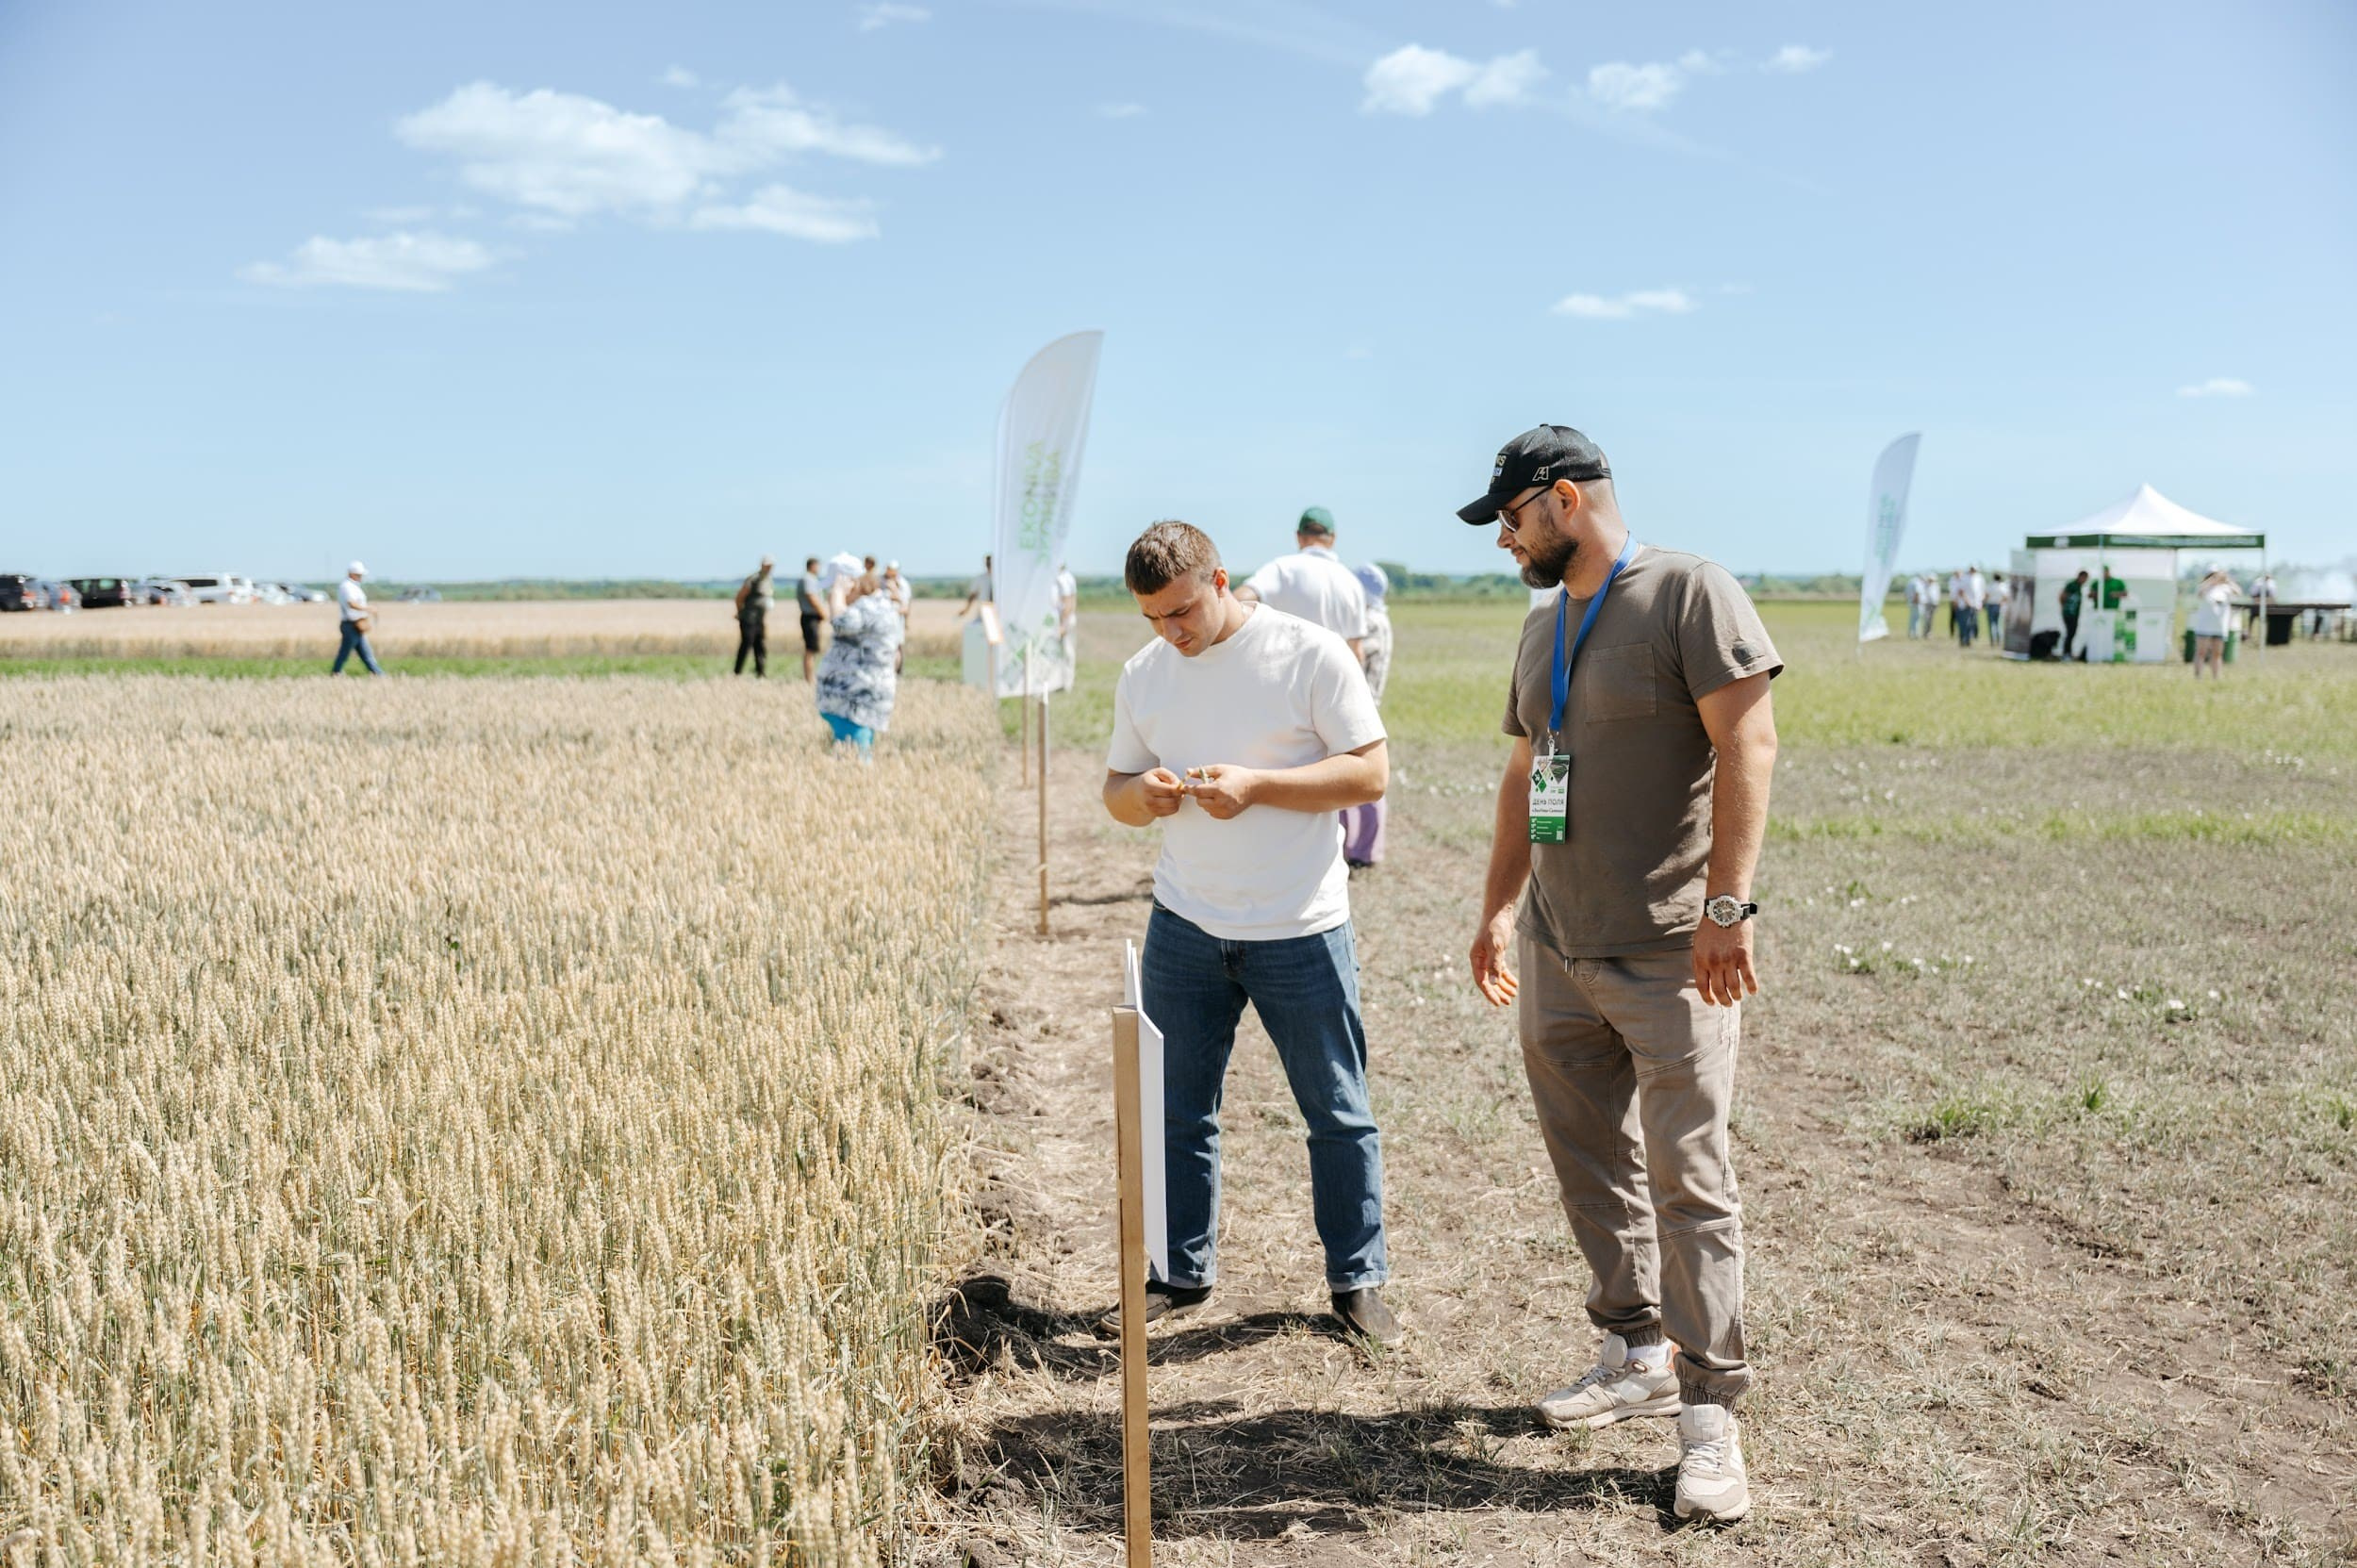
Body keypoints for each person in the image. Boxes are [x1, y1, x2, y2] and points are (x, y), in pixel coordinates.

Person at [1459, 425, 1781, 1525]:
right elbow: (1522, 776)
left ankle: (1709, 1421)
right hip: (1558, 945)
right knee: (1589, 1163)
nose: (1503, 542)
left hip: (1671, 953)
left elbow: (1749, 744)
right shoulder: (1542, 622)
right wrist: (1500, 908)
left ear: (1560, 501)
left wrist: (1726, 910)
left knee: (1691, 1183)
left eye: (1509, 520)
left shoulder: (1691, 592)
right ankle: (1634, 1350)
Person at [1098, 520, 1400, 1346]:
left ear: (1221, 581)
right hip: (1186, 923)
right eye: (1153, 617)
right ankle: (1179, 1271)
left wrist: (1259, 784)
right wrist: (1145, 797)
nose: (1172, 631)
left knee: (1338, 1111)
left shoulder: (1308, 654)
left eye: (1183, 611)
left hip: (1299, 924)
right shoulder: (1145, 674)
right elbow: (1116, 788)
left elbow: (1369, 770)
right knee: (1176, 1110)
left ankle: (1358, 1278)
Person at [1234, 506, 1368, 661]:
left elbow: (1240, 598)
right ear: (1332, 538)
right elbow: (1357, 652)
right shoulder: (1352, 583)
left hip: (1287, 677)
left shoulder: (1282, 569)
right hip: (1333, 678)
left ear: (1299, 536)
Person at [814, 563, 902, 760]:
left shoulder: (869, 607)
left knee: (854, 759)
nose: (830, 596)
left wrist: (837, 596)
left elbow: (841, 623)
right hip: (855, 700)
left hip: (856, 701)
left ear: (853, 585)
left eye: (833, 589)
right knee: (852, 756)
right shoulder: (876, 606)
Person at [1343, 558, 1393, 870]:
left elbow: (1352, 658)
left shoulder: (1371, 621)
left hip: (1362, 709)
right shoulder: (1377, 617)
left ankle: (1365, 849)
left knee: (1364, 781)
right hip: (1367, 706)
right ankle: (1358, 846)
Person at [332, 561, 385, 676]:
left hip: (357, 625)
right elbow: (351, 603)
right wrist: (368, 609)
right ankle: (336, 672)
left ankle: (378, 674)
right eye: (360, 575)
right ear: (353, 574)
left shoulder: (353, 586)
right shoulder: (347, 587)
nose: (361, 577)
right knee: (345, 653)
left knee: (366, 654)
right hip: (351, 625)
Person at [733, 555, 775, 677]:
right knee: (746, 643)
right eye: (767, 566)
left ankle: (760, 672)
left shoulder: (768, 580)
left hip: (759, 619)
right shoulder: (753, 579)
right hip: (748, 618)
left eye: (771, 566)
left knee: (760, 645)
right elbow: (740, 597)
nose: (769, 568)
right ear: (762, 565)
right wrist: (740, 611)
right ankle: (737, 672)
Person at [2191, 568, 2236, 679]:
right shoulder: (2203, 587)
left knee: (2217, 654)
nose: (2215, 577)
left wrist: (2227, 580)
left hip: (2219, 627)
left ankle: (2216, 677)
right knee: (2201, 652)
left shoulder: (2225, 588)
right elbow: (2199, 594)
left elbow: (2238, 591)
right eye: (2212, 575)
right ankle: (2198, 677)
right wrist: (2210, 581)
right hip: (2204, 626)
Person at [796, 557, 827, 681]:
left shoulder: (810, 579)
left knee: (812, 648)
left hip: (812, 617)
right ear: (812, 566)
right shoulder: (808, 579)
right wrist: (823, 613)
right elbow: (812, 597)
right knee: (811, 648)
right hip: (810, 617)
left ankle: (811, 676)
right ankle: (810, 678)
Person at [882, 561, 914, 673]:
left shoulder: (903, 584)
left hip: (897, 619)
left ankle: (897, 671)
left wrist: (906, 621)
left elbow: (905, 604)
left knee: (897, 645)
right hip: (883, 619)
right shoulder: (881, 581)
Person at [2060, 569, 2089, 659]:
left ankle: (2068, 653)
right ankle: (2066, 654)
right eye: (2085, 578)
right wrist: (2065, 608)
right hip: (2069, 614)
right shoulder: (2072, 585)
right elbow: (2062, 596)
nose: (2085, 581)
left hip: (2074, 614)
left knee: (2072, 633)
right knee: (2070, 633)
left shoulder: (2079, 586)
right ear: (2080, 577)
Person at [959, 555, 994, 619]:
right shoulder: (980, 579)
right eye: (988, 562)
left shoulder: (1001, 580)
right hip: (984, 612)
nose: (989, 564)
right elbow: (972, 595)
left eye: (990, 562)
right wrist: (966, 609)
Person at [1986, 571, 2010, 644]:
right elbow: (2006, 597)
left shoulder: (1990, 585)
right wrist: (2001, 602)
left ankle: (1993, 640)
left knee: (1992, 624)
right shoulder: (2003, 586)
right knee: (1999, 623)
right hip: (1999, 606)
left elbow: (1986, 596)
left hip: (1991, 605)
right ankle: (1999, 640)